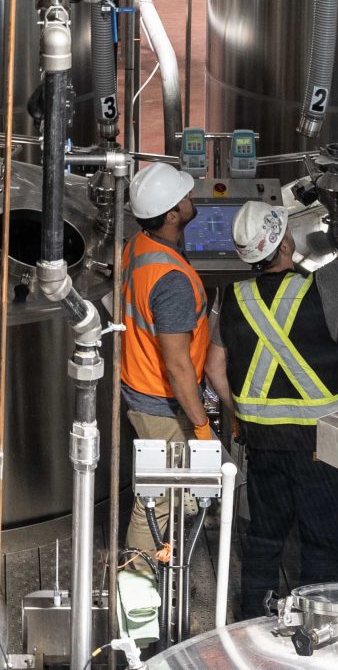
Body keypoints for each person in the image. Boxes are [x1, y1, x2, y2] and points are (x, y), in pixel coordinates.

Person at [209, 139, 338, 620]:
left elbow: (213, 369)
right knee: (322, 544)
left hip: (264, 444)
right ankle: (316, 629)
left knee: (265, 538)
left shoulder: (231, 301)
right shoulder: (324, 288)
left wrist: (238, 418)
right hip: (322, 446)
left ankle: (251, 622)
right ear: (285, 243)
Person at [119, 159, 211, 555]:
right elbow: (177, 364)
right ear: (173, 214)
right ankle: (137, 583)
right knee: (156, 503)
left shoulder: (139, 245)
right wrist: (201, 424)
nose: (191, 198)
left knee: (165, 493)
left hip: (140, 387)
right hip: (161, 403)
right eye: (184, 197)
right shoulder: (171, 280)